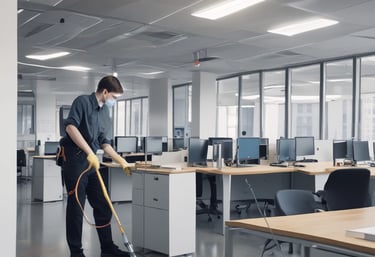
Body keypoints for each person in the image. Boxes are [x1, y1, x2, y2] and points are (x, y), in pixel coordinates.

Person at [60, 75, 132, 257]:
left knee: (103, 203)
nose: (114, 102)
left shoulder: (105, 113)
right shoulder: (82, 102)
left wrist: (120, 160)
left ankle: (107, 249)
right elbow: (70, 128)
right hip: (75, 161)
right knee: (77, 208)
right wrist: (90, 152)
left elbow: (104, 142)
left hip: (91, 163)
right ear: (105, 92)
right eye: (114, 98)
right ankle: (76, 253)